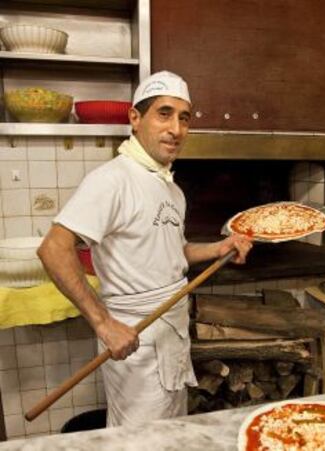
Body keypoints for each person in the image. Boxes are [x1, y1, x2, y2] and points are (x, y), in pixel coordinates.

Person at [38, 71, 252, 427]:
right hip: (135, 338)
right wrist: (104, 324)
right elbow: (53, 249)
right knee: (136, 440)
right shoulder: (112, 180)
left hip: (171, 333)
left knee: (167, 434)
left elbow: (173, 252)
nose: (176, 129)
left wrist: (219, 248)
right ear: (135, 119)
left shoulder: (171, 189)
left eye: (184, 118)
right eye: (164, 113)